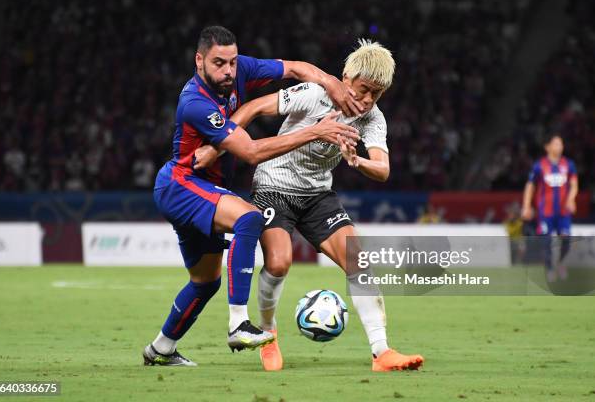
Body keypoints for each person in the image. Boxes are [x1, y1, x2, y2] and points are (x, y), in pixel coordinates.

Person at [197, 39, 424, 372]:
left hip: (317, 195)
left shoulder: (373, 119)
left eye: (376, 94)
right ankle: (268, 334)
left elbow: (383, 169)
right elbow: (254, 108)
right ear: (347, 78)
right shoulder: (315, 94)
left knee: (357, 259)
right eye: (363, 90)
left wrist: (356, 161)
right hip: (274, 186)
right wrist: (218, 147)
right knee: (279, 263)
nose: (367, 99)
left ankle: (382, 352)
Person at [143, 26, 360, 366]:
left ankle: (161, 348)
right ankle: (238, 323)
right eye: (219, 63)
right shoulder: (195, 103)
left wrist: (330, 82)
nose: (228, 71)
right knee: (249, 218)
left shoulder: (240, 67)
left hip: (204, 189)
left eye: (231, 62)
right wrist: (315, 131)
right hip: (181, 184)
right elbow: (253, 152)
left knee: (205, 282)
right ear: (199, 60)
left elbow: (294, 68)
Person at [521, 133, 578, 282]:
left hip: (563, 212)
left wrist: (571, 200)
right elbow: (530, 186)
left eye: (561, 144)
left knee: (566, 239)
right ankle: (550, 269)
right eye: (556, 144)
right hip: (545, 212)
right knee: (546, 241)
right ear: (548, 147)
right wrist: (526, 206)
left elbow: (574, 185)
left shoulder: (568, 165)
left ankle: (561, 263)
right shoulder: (540, 166)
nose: (559, 147)